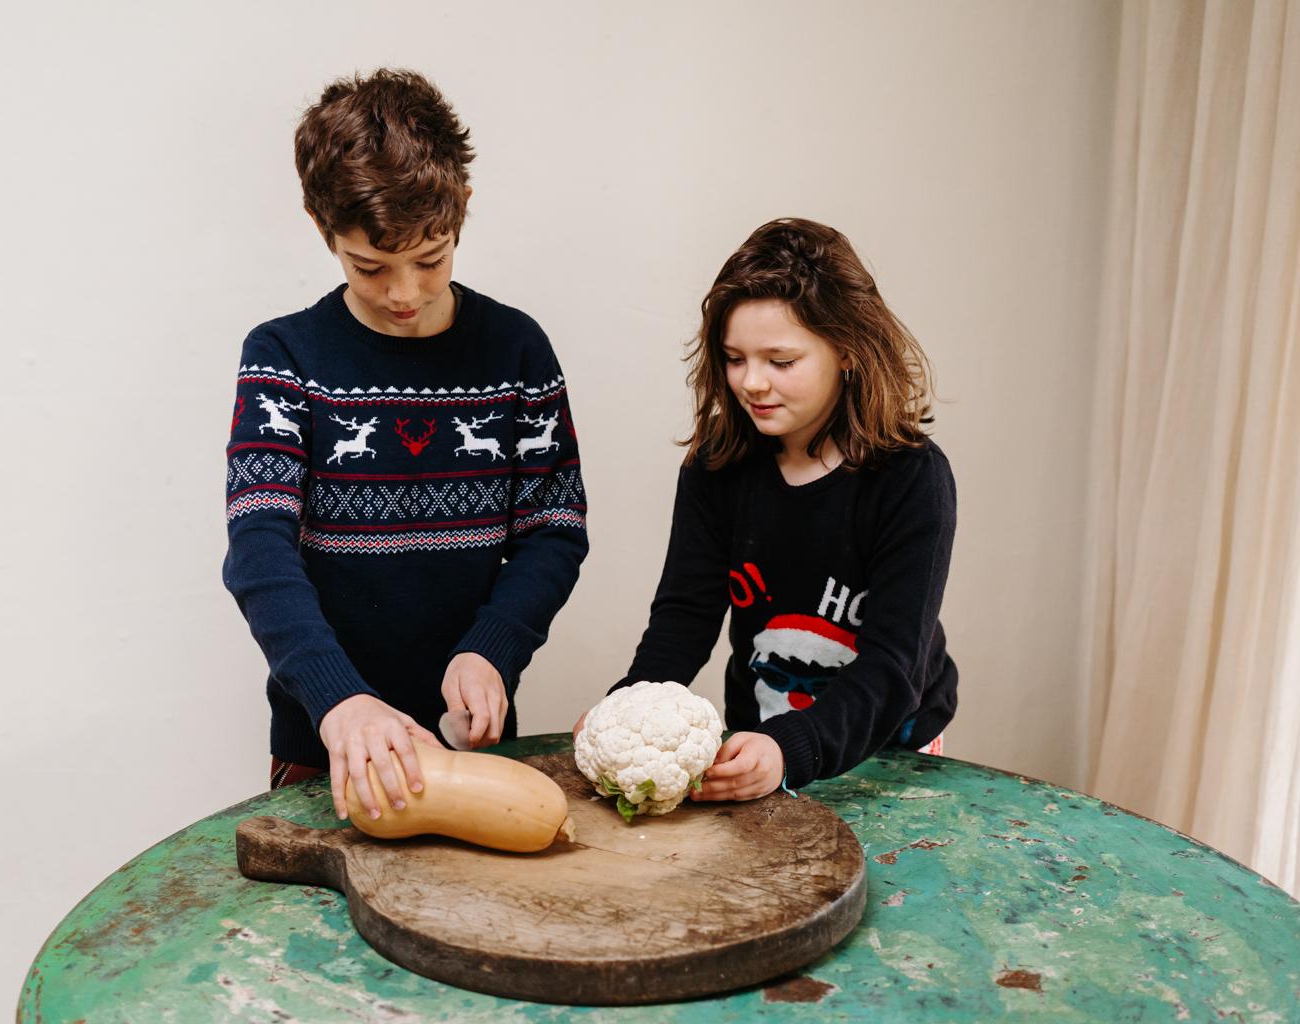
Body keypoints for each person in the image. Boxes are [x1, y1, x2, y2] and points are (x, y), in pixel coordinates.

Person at [224, 69, 588, 821]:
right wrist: (340, 700)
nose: (404, 294)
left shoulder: (517, 351)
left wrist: (493, 647)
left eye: (432, 259)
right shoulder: (284, 357)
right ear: (323, 228)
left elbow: (555, 528)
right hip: (327, 746)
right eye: (370, 266)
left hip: (474, 752)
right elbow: (259, 546)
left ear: (462, 213)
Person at [578, 217, 956, 801]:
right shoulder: (716, 468)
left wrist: (791, 748)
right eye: (734, 358)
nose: (752, 382)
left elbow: (895, 667)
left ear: (847, 352)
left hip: (890, 752)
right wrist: (622, 714)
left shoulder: (912, 478)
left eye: (781, 361)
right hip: (763, 742)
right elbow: (683, 619)